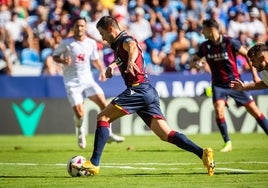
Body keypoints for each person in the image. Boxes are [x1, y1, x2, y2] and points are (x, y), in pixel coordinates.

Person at [78, 15, 215, 176]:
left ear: (111, 29)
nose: (103, 38)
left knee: (103, 118)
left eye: (103, 34)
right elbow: (127, 50)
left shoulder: (125, 39)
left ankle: (94, 163)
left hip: (138, 90)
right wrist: (114, 65)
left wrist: (130, 60)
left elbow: (132, 47)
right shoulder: (119, 44)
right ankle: (203, 153)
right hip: (147, 91)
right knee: (166, 134)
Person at [190, 19, 268, 152]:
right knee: (219, 109)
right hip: (218, 84)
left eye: (203, 29)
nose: (202, 32)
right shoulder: (204, 47)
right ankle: (227, 142)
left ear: (211, 29)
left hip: (234, 82)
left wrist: (254, 75)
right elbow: (193, 61)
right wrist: (196, 64)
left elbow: (249, 56)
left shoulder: (230, 42)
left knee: (254, 110)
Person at [52, 17, 125, 149]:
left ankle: (108, 133)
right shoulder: (67, 43)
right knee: (80, 113)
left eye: (82, 26)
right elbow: (55, 56)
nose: (79, 28)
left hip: (87, 80)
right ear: (73, 27)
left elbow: (95, 60)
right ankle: (80, 132)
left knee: (104, 105)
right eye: (77, 26)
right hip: (72, 82)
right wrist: (63, 61)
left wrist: (102, 70)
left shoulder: (91, 43)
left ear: (85, 27)